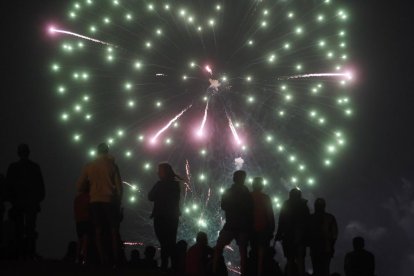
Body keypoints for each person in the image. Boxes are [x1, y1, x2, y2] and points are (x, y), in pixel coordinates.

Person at [76, 142, 123, 265]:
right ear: (107, 151)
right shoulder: (113, 166)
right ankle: (115, 259)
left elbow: (79, 186)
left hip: (95, 201)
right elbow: (119, 188)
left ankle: (102, 259)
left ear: (97, 152)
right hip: (110, 201)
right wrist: (118, 202)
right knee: (113, 230)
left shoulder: (89, 166)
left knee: (98, 230)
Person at [6, 144, 45, 259]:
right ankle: (29, 252)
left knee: (19, 228)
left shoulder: (13, 167)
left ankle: (20, 252)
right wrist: (37, 199)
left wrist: (12, 200)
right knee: (30, 229)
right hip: (30, 203)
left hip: (19, 203)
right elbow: (41, 186)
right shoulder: (34, 167)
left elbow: (8, 186)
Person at [213, 170, 253, 276]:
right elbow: (250, 208)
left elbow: (223, 206)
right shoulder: (246, 191)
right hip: (243, 226)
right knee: (243, 252)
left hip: (231, 225)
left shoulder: (229, 191)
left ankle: (214, 270)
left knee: (218, 247)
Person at [148, 162, 181, 271]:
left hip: (160, 216)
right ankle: (174, 265)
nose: (157, 173)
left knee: (164, 242)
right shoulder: (176, 185)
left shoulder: (159, 184)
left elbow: (150, 197)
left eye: (160, 171)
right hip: (173, 217)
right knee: (171, 241)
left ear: (164, 172)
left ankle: (165, 265)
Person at [275, 188, 310, 276]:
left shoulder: (286, 204)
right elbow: (308, 222)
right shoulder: (303, 205)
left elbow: (281, 221)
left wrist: (278, 234)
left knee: (290, 260)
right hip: (301, 237)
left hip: (288, 236)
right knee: (300, 260)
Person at [250, 177, 275, 276]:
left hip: (251, 229)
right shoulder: (265, 198)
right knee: (262, 254)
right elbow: (269, 214)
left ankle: (252, 271)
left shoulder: (248, 196)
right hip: (263, 229)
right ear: (262, 185)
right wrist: (272, 229)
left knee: (253, 252)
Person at [309, 198, 338, 276]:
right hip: (326, 248)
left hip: (315, 248)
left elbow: (307, 233)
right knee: (325, 269)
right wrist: (332, 246)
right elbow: (334, 235)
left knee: (316, 269)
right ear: (324, 206)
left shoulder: (310, 218)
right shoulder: (330, 217)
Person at [74, 187, 91, 264]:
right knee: (85, 240)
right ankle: (84, 258)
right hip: (86, 220)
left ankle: (77, 258)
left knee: (79, 239)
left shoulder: (77, 198)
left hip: (78, 220)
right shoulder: (89, 198)